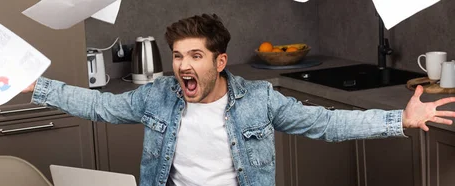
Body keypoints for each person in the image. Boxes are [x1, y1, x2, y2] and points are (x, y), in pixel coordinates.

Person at [22, 14, 454, 186]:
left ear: (220, 60)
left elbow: (326, 123)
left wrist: (400, 119)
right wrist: (37, 86)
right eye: (177, 56)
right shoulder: (157, 96)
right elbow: (100, 107)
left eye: (195, 56)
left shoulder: (260, 100)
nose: (183, 66)